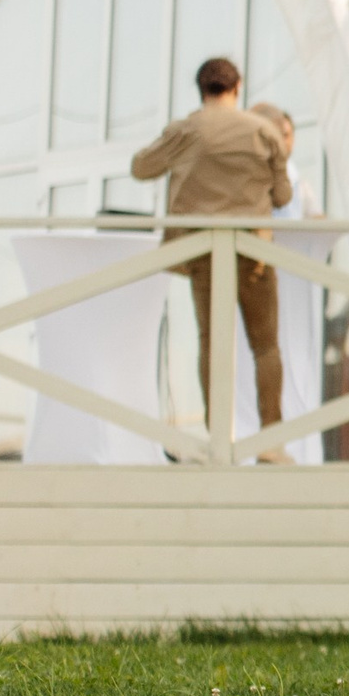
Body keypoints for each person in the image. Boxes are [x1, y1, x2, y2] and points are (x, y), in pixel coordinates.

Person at [129, 56, 295, 462]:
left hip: (203, 253)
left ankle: (219, 437)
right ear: (238, 87)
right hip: (253, 252)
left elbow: (141, 168)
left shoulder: (186, 130)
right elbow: (283, 196)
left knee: (211, 342)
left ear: (201, 89)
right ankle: (271, 442)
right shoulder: (264, 131)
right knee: (266, 346)